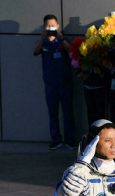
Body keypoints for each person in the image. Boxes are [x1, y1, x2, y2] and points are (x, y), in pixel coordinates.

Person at [33, 14, 75, 150]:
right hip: (50, 84)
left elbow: (71, 52)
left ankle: (70, 140)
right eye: (48, 25)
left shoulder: (63, 40)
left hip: (65, 82)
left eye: (53, 25)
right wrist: (41, 38)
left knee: (68, 111)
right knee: (53, 112)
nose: (50, 27)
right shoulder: (43, 42)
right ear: (44, 27)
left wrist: (62, 39)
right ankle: (56, 139)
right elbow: (35, 51)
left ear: (57, 26)